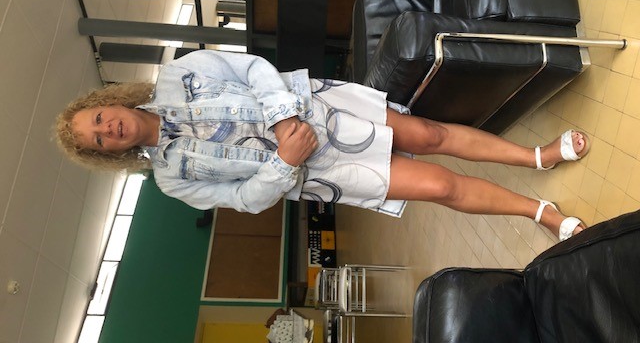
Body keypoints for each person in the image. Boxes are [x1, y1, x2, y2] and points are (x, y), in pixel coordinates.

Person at [56, 50, 590, 241]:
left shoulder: (180, 75)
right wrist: (283, 163)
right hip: (316, 171)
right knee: (440, 188)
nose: (108, 129)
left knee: (430, 135)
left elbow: (252, 68)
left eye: (99, 118)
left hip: (317, 110)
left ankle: (536, 157)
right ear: (108, 154)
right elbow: (245, 199)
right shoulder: (172, 179)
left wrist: (283, 118)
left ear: (109, 101)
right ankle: (538, 211)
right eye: (98, 140)